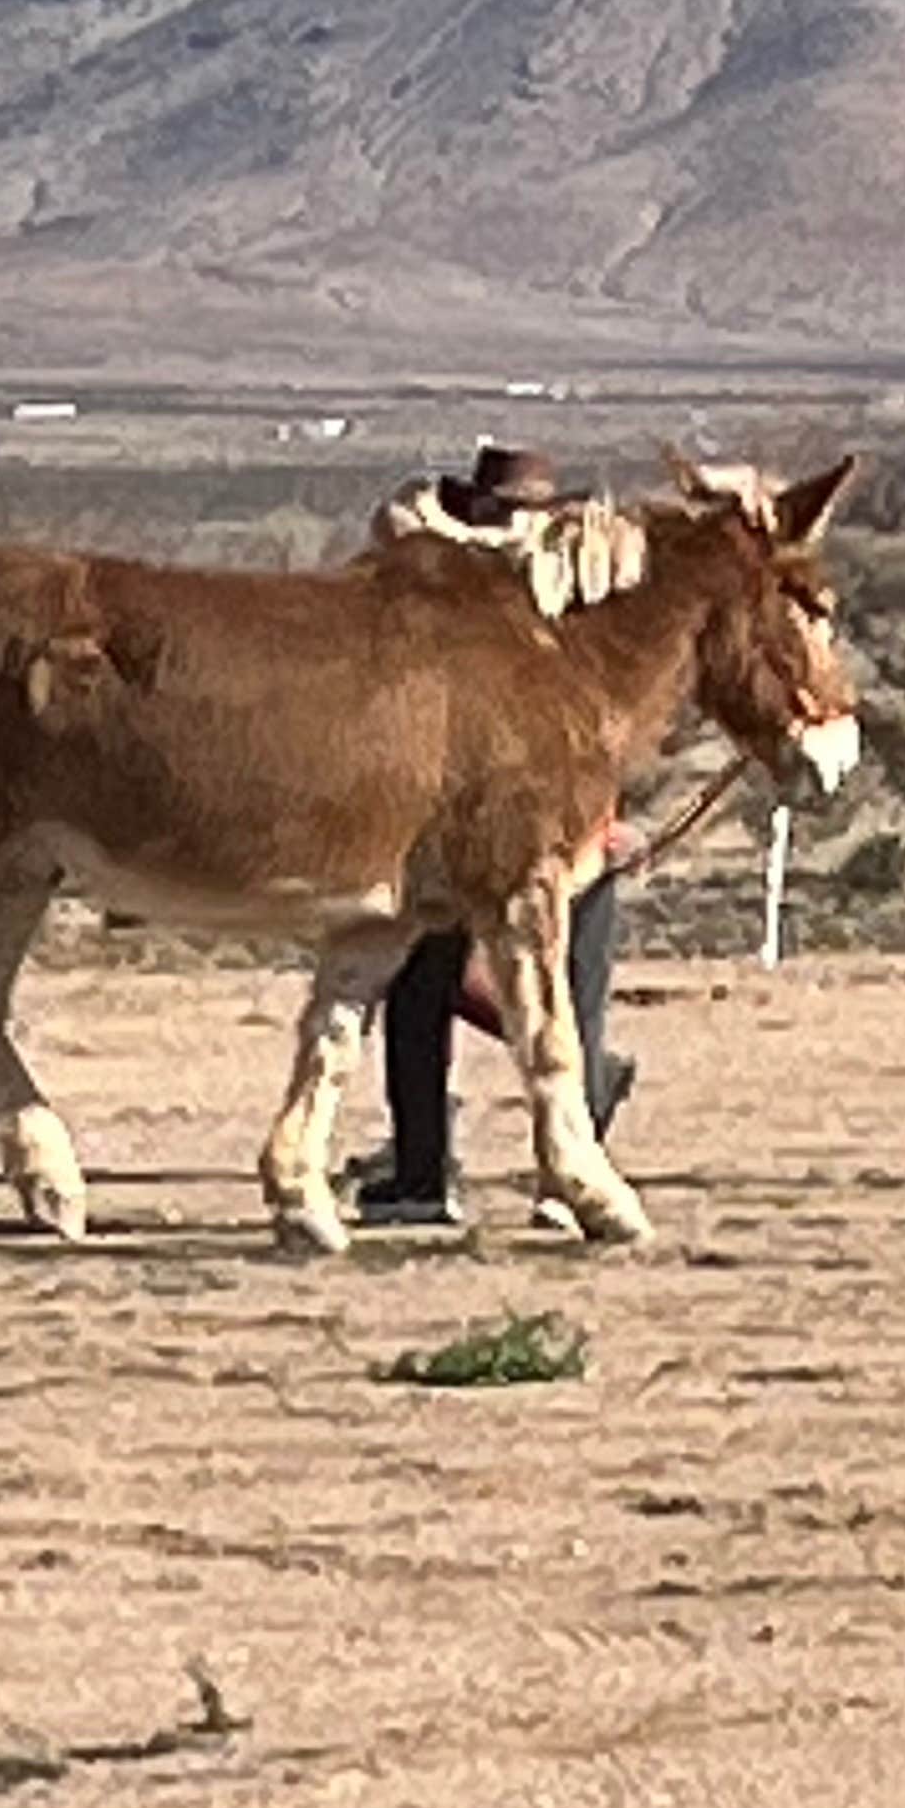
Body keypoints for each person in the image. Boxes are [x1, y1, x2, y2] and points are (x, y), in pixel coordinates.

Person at [356, 444, 637, 1228]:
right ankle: (442, 1167)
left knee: (501, 990)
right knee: (451, 988)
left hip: (536, 821)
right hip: (492, 818)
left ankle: (473, 1171)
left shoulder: (541, 602)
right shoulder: (501, 600)